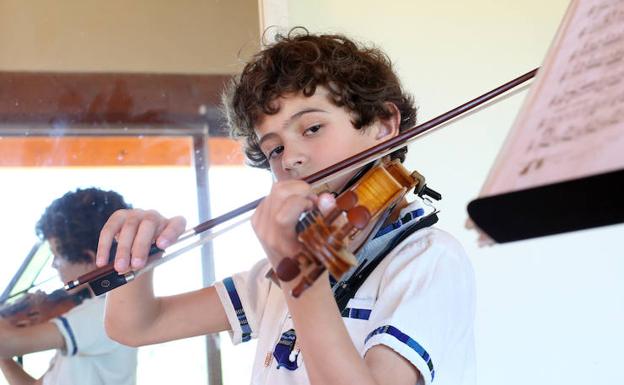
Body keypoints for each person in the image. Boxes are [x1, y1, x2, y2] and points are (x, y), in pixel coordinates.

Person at [100, 28, 476, 385]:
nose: (291, 159)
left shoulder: (427, 259)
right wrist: (135, 259)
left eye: (312, 128)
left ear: (383, 124)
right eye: (274, 149)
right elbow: (137, 326)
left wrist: (300, 276)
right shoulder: (273, 279)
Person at [0, 188, 137, 385]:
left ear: (89, 259)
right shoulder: (84, 318)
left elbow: (7, 342)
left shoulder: (102, 314)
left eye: (57, 255)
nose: (53, 264)